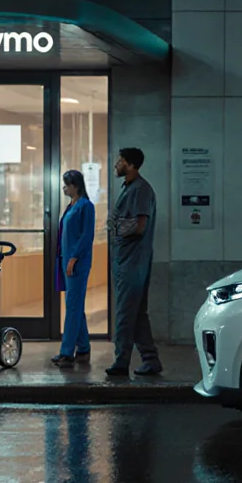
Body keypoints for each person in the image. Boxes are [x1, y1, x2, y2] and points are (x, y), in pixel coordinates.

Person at [106, 147, 162, 377]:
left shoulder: (140, 190)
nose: (116, 165)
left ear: (130, 165)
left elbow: (139, 226)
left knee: (125, 313)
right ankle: (150, 360)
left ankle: (121, 362)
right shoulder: (130, 188)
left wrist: (114, 226)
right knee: (137, 313)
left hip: (132, 262)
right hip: (127, 260)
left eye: (120, 161)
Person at [53, 169, 95, 367]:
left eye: (66, 185)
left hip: (76, 263)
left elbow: (86, 236)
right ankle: (84, 348)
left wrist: (73, 258)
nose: (64, 188)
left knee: (72, 306)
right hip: (66, 260)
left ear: (75, 186)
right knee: (76, 306)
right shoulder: (71, 206)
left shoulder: (86, 207)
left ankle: (67, 351)